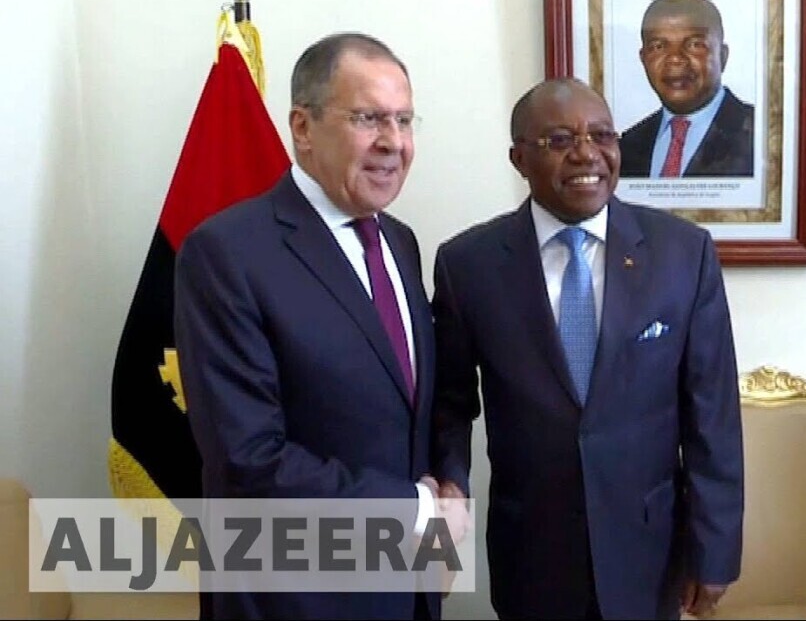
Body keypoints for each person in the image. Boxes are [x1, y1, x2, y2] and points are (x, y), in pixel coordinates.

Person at [174, 32, 468, 620]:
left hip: (408, 587)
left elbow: (421, 403)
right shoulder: (227, 253)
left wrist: (452, 486)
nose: (393, 142)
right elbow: (248, 456)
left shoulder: (400, 242)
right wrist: (413, 508)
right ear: (302, 127)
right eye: (368, 118)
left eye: (404, 120)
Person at [431, 77, 744, 619]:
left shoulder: (682, 254)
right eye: (559, 140)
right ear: (519, 158)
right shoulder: (468, 265)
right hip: (532, 552)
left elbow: (712, 415)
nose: (586, 154)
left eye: (602, 135)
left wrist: (714, 549)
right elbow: (449, 403)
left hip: (648, 551)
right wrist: (450, 487)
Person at [619, 0, 755, 179]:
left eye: (694, 44)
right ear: (643, 59)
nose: (675, 58)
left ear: (722, 56)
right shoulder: (628, 146)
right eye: (658, 46)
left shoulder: (760, 135)